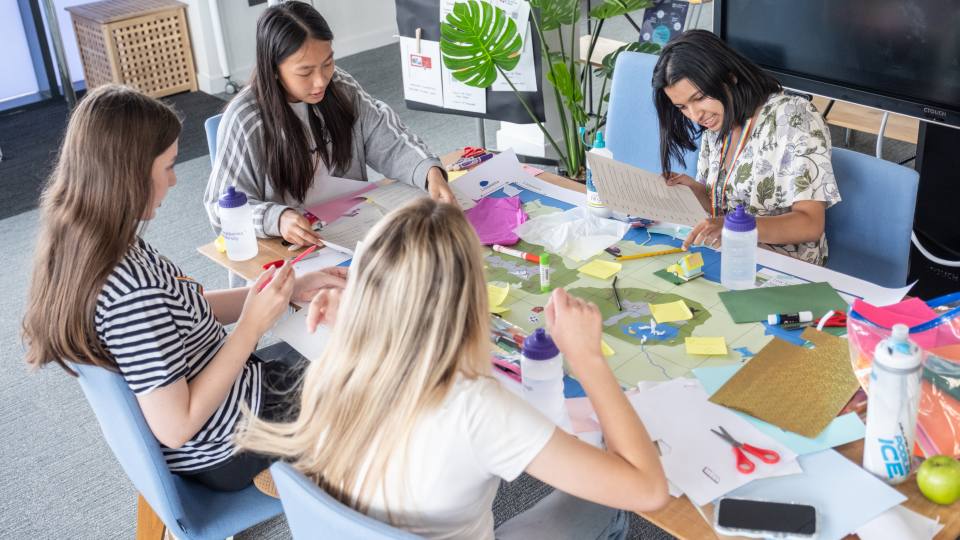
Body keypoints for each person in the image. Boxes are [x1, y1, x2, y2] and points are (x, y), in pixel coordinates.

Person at [236, 198, 669, 539]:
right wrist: (587, 358)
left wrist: (354, 317)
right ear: (469, 297)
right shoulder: (477, 407)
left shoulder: (337, 362)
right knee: (605, 500)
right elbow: (648, 490)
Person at [21, 85, 347, 491]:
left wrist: (289, 290)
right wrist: (251, 326)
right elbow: (176, 427)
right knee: (380, 376)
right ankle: (313, 476)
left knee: (334, 353)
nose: (175, 181)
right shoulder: (128, 292)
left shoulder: (100, 240)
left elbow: (182, 309)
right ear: (130, 173)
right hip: (229, 441)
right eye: (168, 167)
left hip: (232, 398)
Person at [204, 0, 456, 248]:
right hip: (288, 253)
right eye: (305, 72)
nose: (320, 81)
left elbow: (389, 140)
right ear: (273, 70)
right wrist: (277, 219)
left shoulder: (340, 87)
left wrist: (428, 172)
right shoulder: (245, 118)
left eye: (327, 63)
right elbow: (220, 207)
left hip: (349, 231)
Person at [653, 30, 841, 265]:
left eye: (699, 97)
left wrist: (737, 228)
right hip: (726, 256)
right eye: (682, 107)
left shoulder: (794, 117)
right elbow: (723, 207)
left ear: (729, 77)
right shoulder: (716, 121)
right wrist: (694, 191)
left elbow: (810, 223)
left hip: (782, 268)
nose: (694, 115)